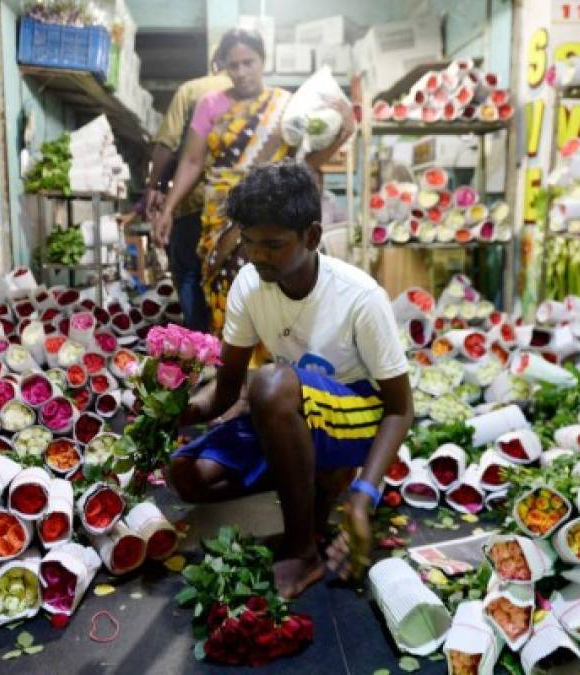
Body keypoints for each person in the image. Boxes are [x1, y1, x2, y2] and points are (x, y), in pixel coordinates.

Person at [167, 161, 413, 599]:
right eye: (248, 242)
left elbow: (399, 408)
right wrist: (172, 411)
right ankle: (316, 477)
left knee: (269, 384)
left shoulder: (360, 296)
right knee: (189, 476)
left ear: (312, 237)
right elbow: (225, 391)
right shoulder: (248, 284)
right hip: (290, 408)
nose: (256, 255)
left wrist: (364, 494)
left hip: (356, 416)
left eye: (273, 245)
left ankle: (303, 551)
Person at [152, 28, 354, 334]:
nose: (241, 72)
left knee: (272, 290)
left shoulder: (287, 106)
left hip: (272, 216)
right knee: (226, 293)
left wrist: (343, 133)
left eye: (249, 62)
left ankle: (273, 369)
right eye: (233, 65)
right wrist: (167, 208)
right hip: (222, 215)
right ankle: (232, 368)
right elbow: (192, 161)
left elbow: (304, 165)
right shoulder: (209, 104)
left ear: (263, 60)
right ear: (222, 66)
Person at [145, 56, 231, 332]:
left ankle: (199, 348)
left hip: (194, 206)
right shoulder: (260, 97)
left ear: (215, 62)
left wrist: (155, 187)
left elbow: (167, 145)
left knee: (190, 276)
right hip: (238, 215)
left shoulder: (192, 90)